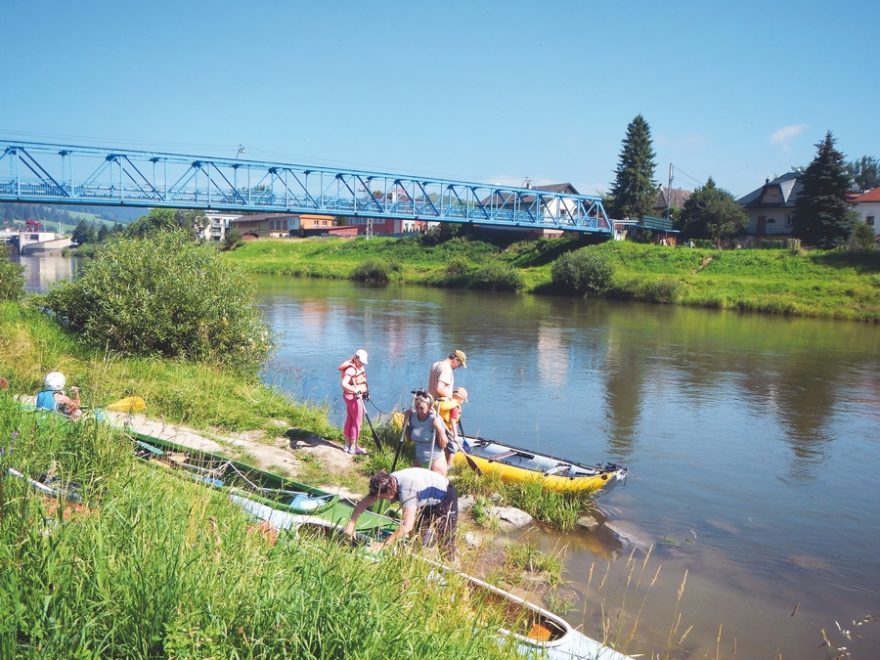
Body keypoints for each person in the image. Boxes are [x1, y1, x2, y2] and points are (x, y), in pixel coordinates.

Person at [344, 467, 458, 560]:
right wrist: (351, 524)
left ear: (391, 489)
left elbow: (407, 526)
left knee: (445, 544)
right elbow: (364, 502)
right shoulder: (384, 482)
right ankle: (415, 562)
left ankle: (451, 571)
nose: (383, 499)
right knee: (417, 537)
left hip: (445, 496)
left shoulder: (407, 491)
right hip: (425, 496)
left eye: (383, 497)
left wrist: (383, 545)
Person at [404, 391, 450, 475]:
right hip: (419, 461)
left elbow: (444, 445)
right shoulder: (413, 417)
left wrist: (439, 428)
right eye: (417, 407)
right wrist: (405, 421)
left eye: (422, 408)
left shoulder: (435, 418)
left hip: (435, 461)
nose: (418, 410)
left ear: (429, 407)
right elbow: (409, 439)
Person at [338, 349, 370, 455]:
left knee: (351, 419)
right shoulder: (351, 370)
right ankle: (354, 447)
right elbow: (344, 383)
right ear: (355, 358)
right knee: (357, 421)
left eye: (363, 362)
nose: (362, 364)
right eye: (360, 362)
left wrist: (364, 391)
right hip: (354, 398)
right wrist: (355, 390)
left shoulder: (358, 367)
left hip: (352, 397)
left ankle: (347, 445)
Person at [437, 387, 468, 459]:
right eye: (463, 400)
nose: (463, 402)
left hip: (440, 427)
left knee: (443, 446)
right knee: (453, 449)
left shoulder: (448, 401)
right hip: (447, 429)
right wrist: (455, 436)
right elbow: (453, 421)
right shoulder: (455, 407)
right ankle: (448, 466)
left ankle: (443, 461)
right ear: (460, 398)